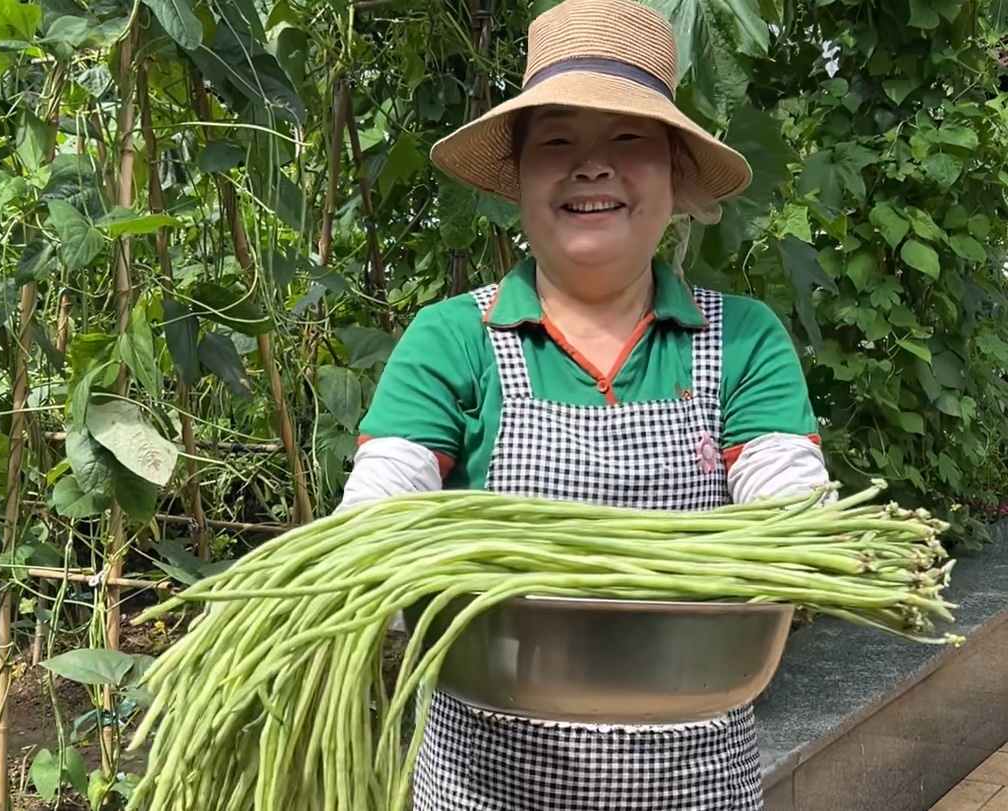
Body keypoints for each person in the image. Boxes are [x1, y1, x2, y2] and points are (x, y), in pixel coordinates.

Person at [337, 0, 830, 807]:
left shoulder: (741, 339)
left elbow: (793, 514)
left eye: (629, 140)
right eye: (558, 141)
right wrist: (373, 569)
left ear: (676, 174)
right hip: (485, 783)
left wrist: (811, 538)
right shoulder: (454, 338)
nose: (591, 167)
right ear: (521, 177)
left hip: (694, 785)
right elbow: (379, 512)